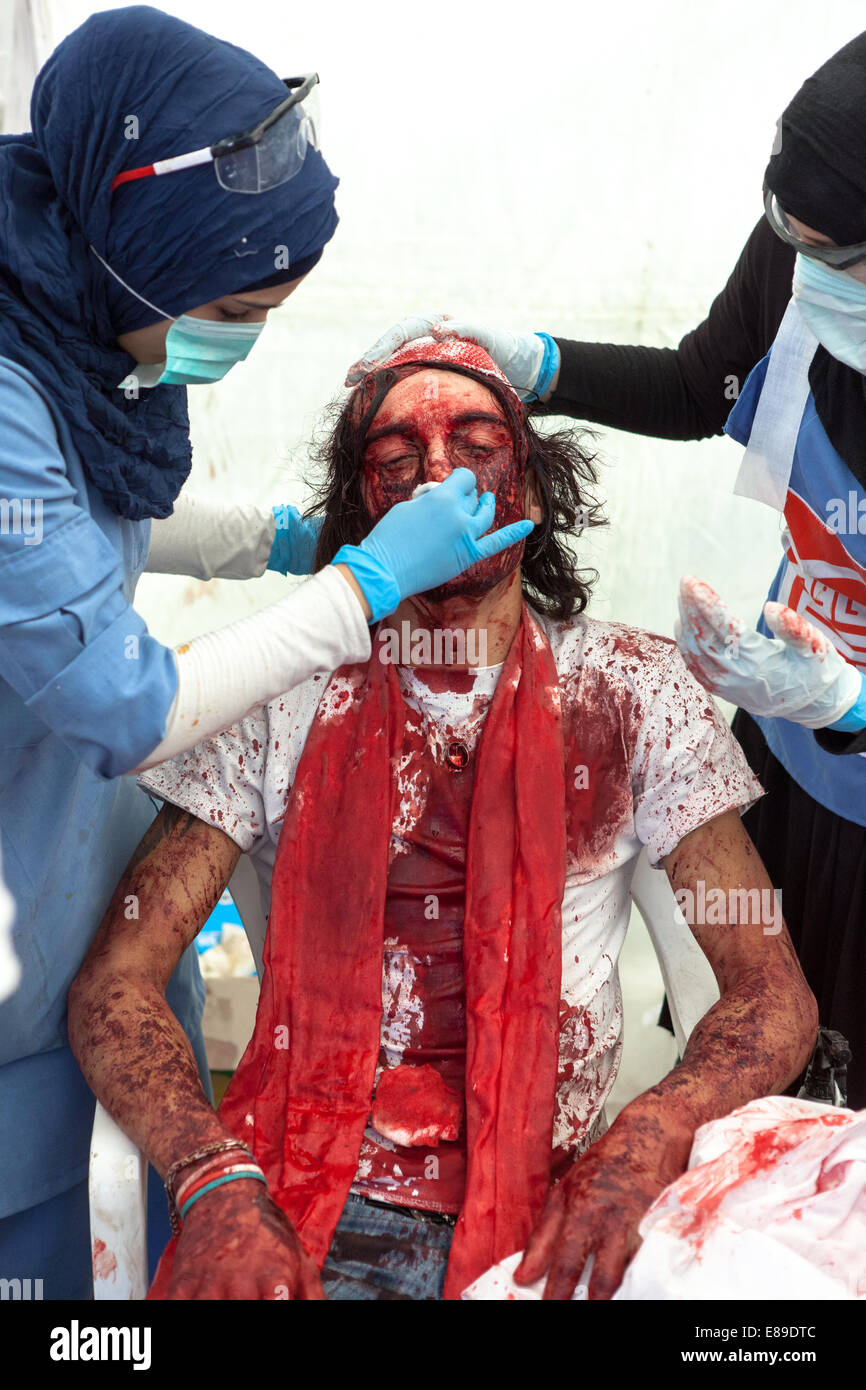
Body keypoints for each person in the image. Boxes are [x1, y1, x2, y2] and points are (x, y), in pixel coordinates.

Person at [69, 339, 816, 1301]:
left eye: (475, 443)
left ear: (536, 490)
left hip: (557, 1205)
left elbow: (772, 992)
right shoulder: (278, 685)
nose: (436, 476)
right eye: (393, 461)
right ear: (362, 513)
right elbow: (115, 981)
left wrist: (644, 1137)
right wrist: (213, 1177)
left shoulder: (634, 689)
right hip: (300, 1205)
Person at [0, 7, 528, 1299]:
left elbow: (84, 509)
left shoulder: (622, 706)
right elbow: (128, 706)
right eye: (231, 309)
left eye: (473, 452)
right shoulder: (278, 711)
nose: (433, 487)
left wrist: (278, 543)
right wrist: (357, 588)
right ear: (138, 262)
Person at [351, 32, 866, 1107]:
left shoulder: (625, 704)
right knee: (775, 1108)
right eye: (791, 237)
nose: (804, 273)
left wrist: (852, 704)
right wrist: (542, 364)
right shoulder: (810, 238)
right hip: (792, 772)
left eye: (839, 256)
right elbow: (704, 381)